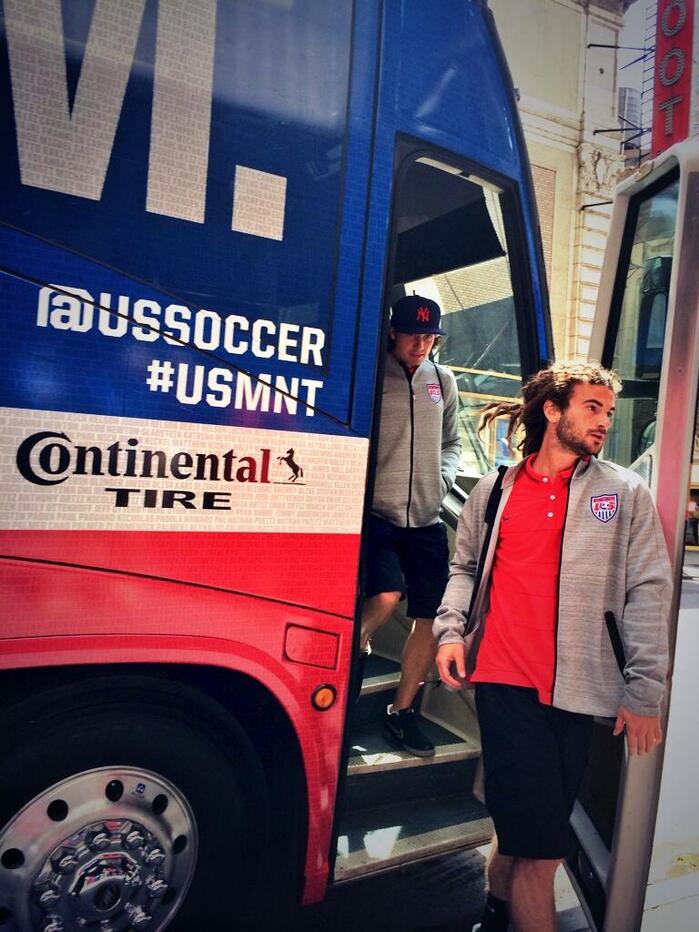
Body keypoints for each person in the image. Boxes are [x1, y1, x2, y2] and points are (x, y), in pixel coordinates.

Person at [433, 361, 671, 932]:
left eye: (609, 412)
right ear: (552, 410)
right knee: (544, 856)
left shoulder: (622, 491)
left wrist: (644, 691)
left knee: (524, 835)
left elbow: (649, 589)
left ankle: (493, 912)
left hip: (579, 692)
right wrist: (448, 631)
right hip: (505, 685)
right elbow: (465, 568)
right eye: (593, 408)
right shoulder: (494, 492)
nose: (604, 422)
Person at [359, 294, 461, 757]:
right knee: (384, 597)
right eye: (414, 334)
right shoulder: (370, 376)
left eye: (430, 336)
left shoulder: (443, 380)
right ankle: (354, 649)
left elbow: (454, 440)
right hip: (377, 515)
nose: (422, 343)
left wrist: (442, 478)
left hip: (425, 518)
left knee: (430, 618)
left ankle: (400, 714)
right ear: (393, 333)